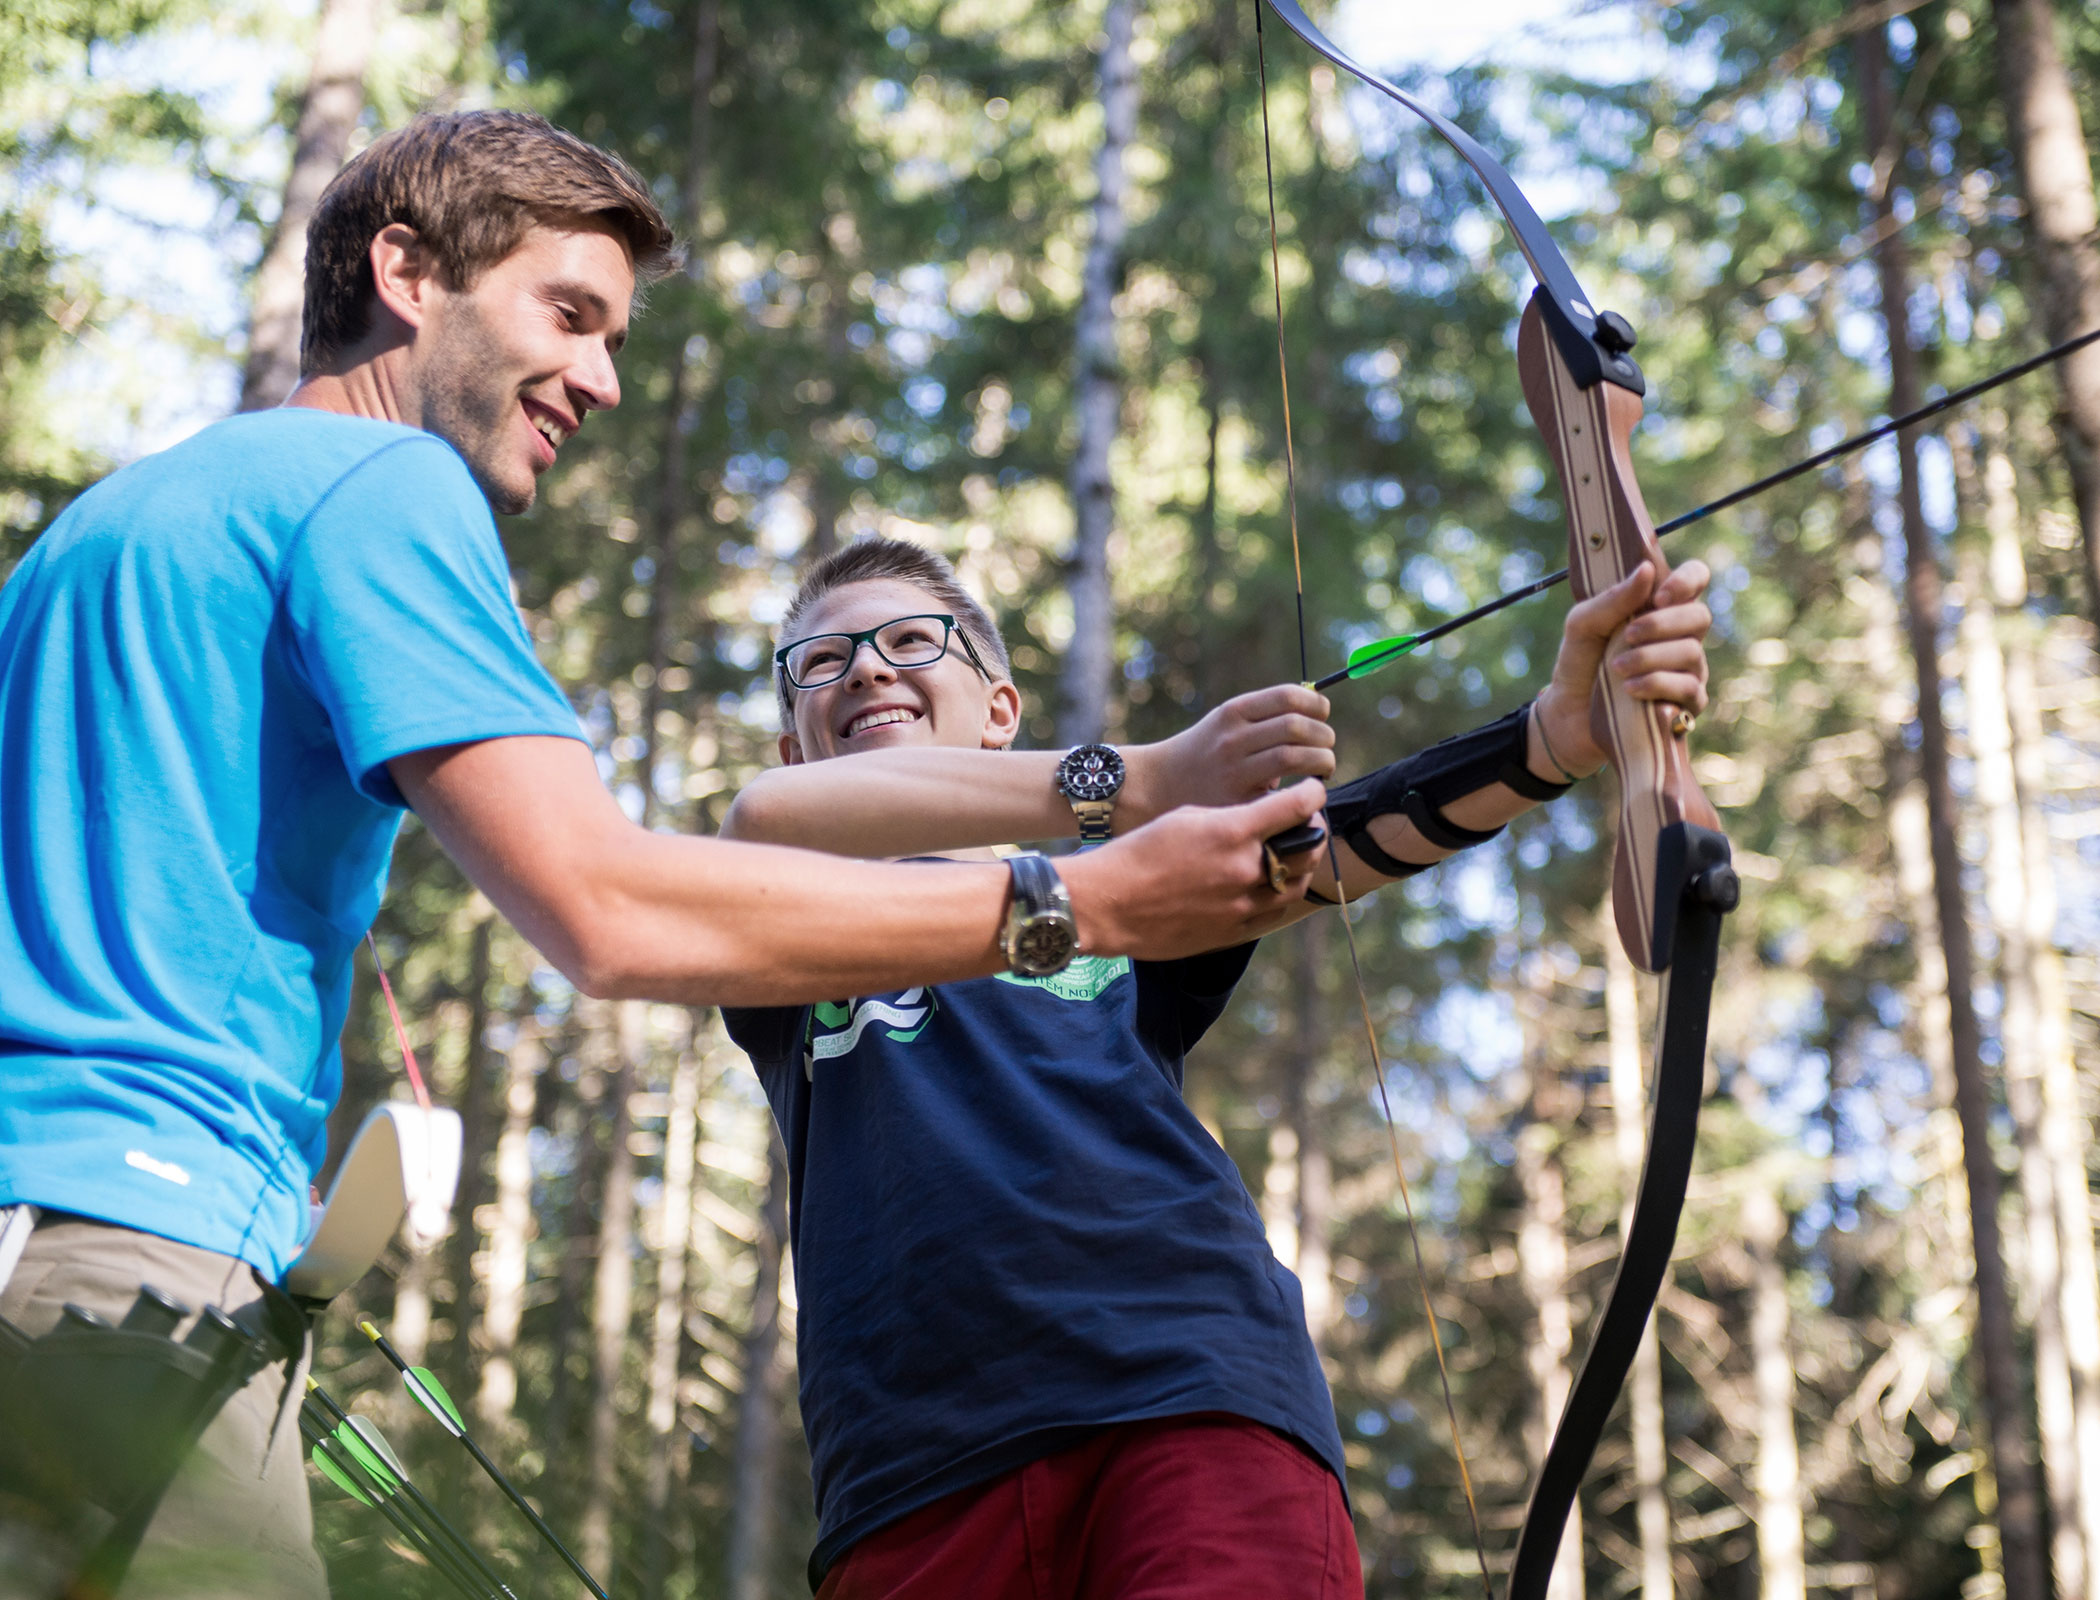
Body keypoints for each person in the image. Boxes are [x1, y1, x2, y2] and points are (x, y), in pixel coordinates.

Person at [0, 111, 1324, 1599]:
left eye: (613, 336)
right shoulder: (379, 485)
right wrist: (1076, 897)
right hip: (124, 1255)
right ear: (407, 273)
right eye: (568, 314)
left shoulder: (91, 535)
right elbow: (605, 906)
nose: (601, 380)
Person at [717, 536, 1714, 1599]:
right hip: (910, 1476)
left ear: (1000, 710)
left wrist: (1553, 739)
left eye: (911, 640)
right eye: (822, 663)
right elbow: (763, 823)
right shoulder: (784, 921)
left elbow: (1330, 844)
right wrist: (1139, 778)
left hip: (1188, 1395)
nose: (866, 668)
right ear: (794, 746)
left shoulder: (1127, 880)